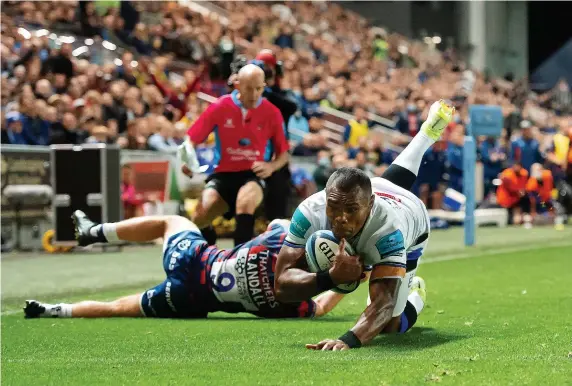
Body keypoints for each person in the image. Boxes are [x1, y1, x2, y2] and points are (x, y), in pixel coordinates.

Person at [274, 100, 455, 350]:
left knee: (392, 325)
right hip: (380, 187)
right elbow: (281, 286)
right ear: (325, 200)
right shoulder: (308, 211)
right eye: (334, 208)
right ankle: (426, 134)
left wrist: (348, 340)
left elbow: (384, 303)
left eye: (350, 211)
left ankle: (416, 291)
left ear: (370, 205)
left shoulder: (389, 230)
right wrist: (329, 278)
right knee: (387, 181)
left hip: (413, 219)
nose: (341, 218)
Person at [24, 212, 342, 320]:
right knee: (117, 307)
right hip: (188, 299)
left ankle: (94, 232)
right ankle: (54, 310)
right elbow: (322, 307)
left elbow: (279, 221)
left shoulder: (279, 238)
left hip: (194, 258)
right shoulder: (293, 303)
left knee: (172, 221)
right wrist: (343, 281)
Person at [180, 64, 289, 247]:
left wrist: (270, 166)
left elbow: (283, 155)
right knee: (199, 217)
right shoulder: (220, 106)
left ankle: (240, 263)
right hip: (223, 174)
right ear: (237, 85)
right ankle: (209, 258)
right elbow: (191, 140)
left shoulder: (272, 112)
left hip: (253, 175)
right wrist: (189, 160)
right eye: (249, 88)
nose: (254, 94)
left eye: (259, 88)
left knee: (244, 203)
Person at [496, 162, 530, 226]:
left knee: (518, 214)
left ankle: (522, 219)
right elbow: (510, 187)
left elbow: (525, 185)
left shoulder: (524, 173)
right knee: (509, 219)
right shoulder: (507, 174)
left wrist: (522, 191)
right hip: (506, 198)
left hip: (516, 198)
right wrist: (519, 191)